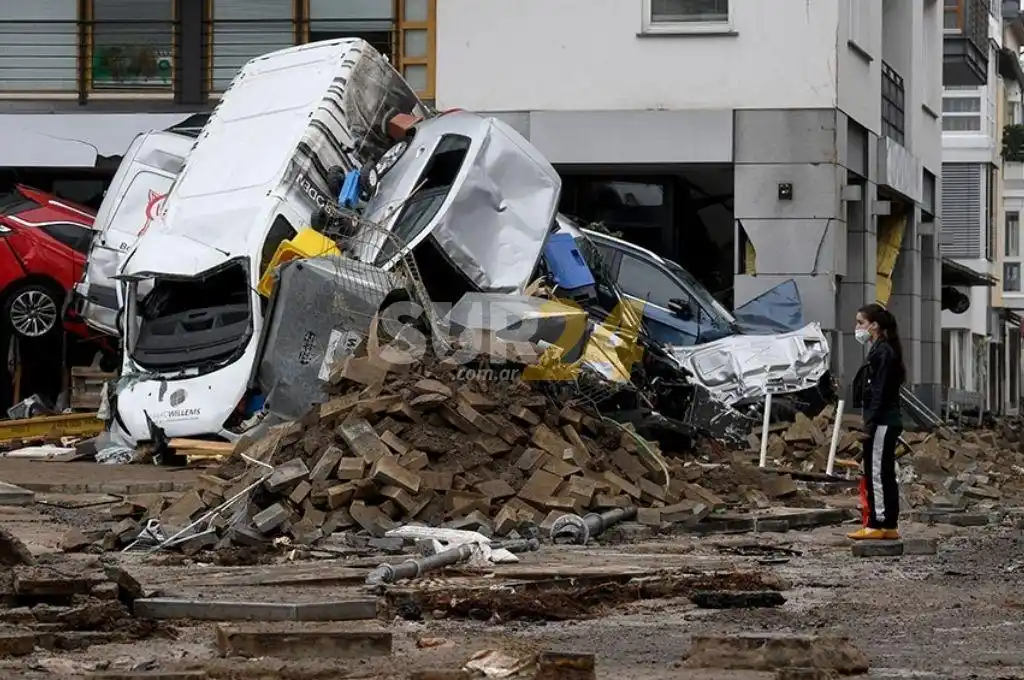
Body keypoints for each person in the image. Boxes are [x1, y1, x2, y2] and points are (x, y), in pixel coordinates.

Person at [848, 303, 906, 541]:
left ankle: (878, 523)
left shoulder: (882, 352)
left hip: (882, 421)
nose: (857, 328)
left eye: (860, 322)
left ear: (874, 326)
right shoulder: (884, 349)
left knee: (877, 472)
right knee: (883, 471)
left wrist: (870, 422)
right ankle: (887, 524)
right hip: (884, 420)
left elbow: (880, 391)